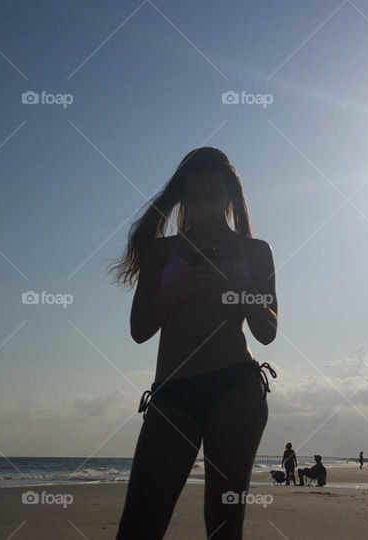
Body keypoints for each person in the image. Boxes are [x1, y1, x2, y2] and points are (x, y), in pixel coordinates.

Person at [114, 148, 279, 540]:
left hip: (236, 389)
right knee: (138, 527)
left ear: (229, 198)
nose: (204, 205)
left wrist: (241, 288)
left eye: (214, 196)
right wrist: (180, 289)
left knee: (223, 527)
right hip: (172, 394)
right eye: (194, 196)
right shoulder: (161, 250)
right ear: (182, 198)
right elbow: (139, 330)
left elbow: (267, 331)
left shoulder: (254, 251)